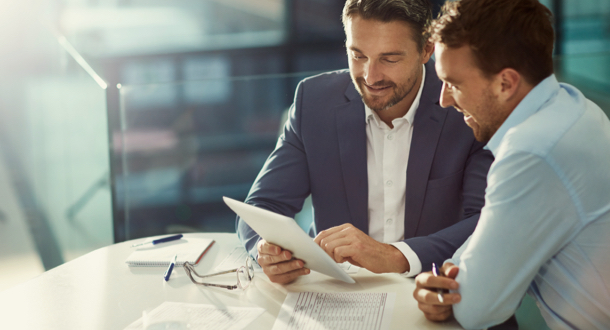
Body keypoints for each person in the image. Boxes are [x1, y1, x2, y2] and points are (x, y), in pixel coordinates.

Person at [237, 0, 493, 285]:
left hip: (432, 289)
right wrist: (266, 250)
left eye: (390, 59)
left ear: (426, 49)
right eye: (358, 56)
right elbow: (261, 206)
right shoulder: (314, 101)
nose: (370, 77)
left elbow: (487, 222)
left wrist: (395, 256)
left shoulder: (465, 107)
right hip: (336, 294)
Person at [413, 0, 610, 328]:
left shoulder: (532, 153)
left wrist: (454, 288)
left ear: (506, 83)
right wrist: (460, 277)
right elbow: (475, 264)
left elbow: (474, 309)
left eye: (455, 83)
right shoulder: (573, 106)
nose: (445, 99)